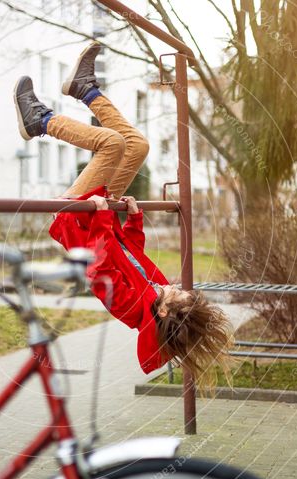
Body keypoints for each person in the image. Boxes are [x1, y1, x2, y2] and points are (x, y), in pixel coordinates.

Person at [13, 42, 233, 386]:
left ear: (164, 312)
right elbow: (133, 252)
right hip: (100, 218)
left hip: (76, 224)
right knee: (137, 145)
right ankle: (84, 89)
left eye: (179, 295)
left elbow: (99, 266)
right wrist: (133, 219)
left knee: (111, 145)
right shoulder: (155, 290)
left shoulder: (132, 308)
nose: (177, 287)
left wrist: (102, 217)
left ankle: (38, 120)